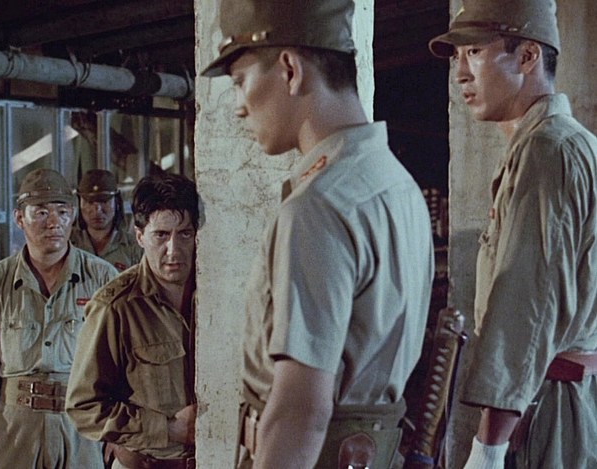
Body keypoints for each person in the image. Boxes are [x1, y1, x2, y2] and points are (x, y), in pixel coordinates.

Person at [201, 1, 435, 467]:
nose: (239, 108)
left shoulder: (317, 206)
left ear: (289, 70)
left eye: (241, 81)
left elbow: (300, 409)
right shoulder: (396, 184)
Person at [428, 1, 597, 468]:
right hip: (551, 401)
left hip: (546, 411)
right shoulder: (564, 144)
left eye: (476, 52)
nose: (461, 74)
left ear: (527, 57)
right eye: (457, 57)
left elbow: (526, 308)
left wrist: (488, 448)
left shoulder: (547, 150)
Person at [0, 168, 118, 469]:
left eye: (62, 212)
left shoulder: (102, 278)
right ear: (19, 218)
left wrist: (117, 430)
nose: (53, 222)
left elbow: (122, 358)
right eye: (41, 212)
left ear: (73, 216)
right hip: (17, 427)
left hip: (82, 425)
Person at [66, 173, 200, 469]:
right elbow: (84, 406)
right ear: (140, 236)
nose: (173, 250)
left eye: (185, 234)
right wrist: (167, 429)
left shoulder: (217, 299)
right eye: (161, 235)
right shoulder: (114, 307)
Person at [71, 169, 143, 271]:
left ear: (116, 202)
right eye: (90, 202)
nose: (97, 210)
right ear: (79, 203)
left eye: (104, 201)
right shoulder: (68, 245)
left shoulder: (134, 248)